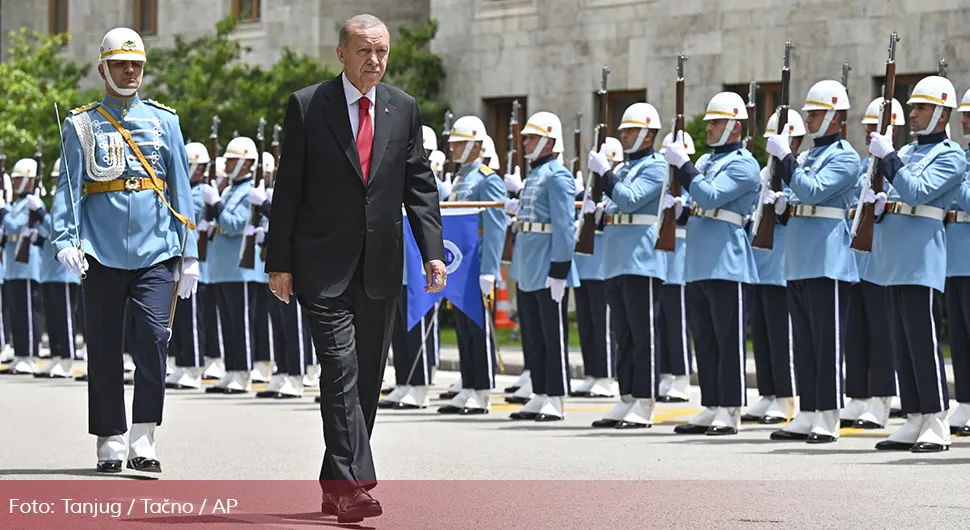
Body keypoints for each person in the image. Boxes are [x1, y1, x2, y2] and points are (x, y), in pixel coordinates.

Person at [264, 14, 445, 523]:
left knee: (365, 380)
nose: (375, 61)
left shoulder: (402, 108)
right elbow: (289, 189)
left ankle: (333, 482)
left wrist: (431, 249)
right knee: (340, 369)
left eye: (382, 52)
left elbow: (419, 184)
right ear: (340, 53)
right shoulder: (307, 106)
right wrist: (279, 262)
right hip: (321, 265)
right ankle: (354, 487)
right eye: (365, 51)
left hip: (380, 266)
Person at [51, 27, 198, 473]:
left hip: (156, 251)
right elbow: (68, 189)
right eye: (120, 64)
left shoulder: (164, 121)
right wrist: (65, 241)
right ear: (103, 69)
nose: (130, 71)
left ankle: (144, 434)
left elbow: (181, 188)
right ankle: (110, 438)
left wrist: (188, 253)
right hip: (101, 251)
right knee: (104, 345)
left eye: (136, 64)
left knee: (154, 338)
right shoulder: (82, 123)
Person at [865, 75, 965, 452]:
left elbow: (918, 191)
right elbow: (887, 194)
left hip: (921, 255)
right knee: (900, 340)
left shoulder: (950, 154)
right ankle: (914, 416)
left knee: (923, 339)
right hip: (891, 256)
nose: (913, 113)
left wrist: (888, 157)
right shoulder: (905, 152)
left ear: (941, 113)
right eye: (912, 107)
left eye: (921, 107)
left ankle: (936, 419)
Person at [663, 92, 760, 435]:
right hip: (700, 261)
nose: (709, 128)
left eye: (716, 122)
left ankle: (730, 408)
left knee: (727, 339)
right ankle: (712, 403)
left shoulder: (744, 163)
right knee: (704, 337)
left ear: (735, 127)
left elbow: (711, 196)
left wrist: (685, 167)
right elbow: (696, 204)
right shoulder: (705, 161)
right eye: (708, 122)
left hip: (727, 262)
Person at [587, 103, 667, 428]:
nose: (624, 135)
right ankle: (628, 396)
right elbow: (614, 206)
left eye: (631, 130)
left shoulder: (657, 166)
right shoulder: (628, 168)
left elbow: (631, 199)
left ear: (648, 134)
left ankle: (645, 401)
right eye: (623, 130)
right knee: (623, 335)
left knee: (643, 334)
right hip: (617, 260)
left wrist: (605, 174)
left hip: (642, 259)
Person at [504, 110, 579, 422]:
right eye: (526, 138)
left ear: (550, 141)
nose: (526, 143)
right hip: (528, 264)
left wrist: (560, 268)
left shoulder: (558, 175)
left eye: (532, 138)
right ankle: (540, 390)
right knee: (533, 333)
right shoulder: (535, 175)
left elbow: (564, 226)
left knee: (552, 333)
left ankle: (556, 395)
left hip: (549, 265)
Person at [842, 97, 905, 429]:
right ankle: (858, 395)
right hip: (858, 262)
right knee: (858, 333)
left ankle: (882, 400)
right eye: (866, 128)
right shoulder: (862, 167)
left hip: (885, 263)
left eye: (875, 128)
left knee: (883, 334)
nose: (869, 134)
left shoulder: (901, 163)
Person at [435, 115, 504, 415]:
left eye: (460, 143)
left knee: (478, 328)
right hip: (459, 264)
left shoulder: (487, 179)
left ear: (476, 145)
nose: (453, 148)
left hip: (476, 261)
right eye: (452, 143)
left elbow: (495, 226)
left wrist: (490, 269)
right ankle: (468, 384)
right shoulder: (462, 179)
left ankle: (483, 389)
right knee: (464, 328)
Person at [743, 109, 805, 425]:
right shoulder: (763, 173)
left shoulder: (799, 170)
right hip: (760, 266)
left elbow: (795, 208)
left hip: (782, 267)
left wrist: (782, 206)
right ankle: (767, 393)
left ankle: (786, 397)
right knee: (764, 337)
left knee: (783, 339)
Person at [166, 142, 210, 390]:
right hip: (176, 260)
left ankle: (193, 367)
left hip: (192, 263)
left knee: (192, 317)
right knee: (179, 317)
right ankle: (182, 362)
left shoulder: (199, 192)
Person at [657, 131, 696, 403]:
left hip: (680, 260)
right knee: (661, 321)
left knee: (678, 321)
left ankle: (681, 377)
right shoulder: (662, 183)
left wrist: (682, 210)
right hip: (660, 260)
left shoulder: (690, 183)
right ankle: (665, 373)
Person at [36, 158, 81, 379]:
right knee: (53, 317)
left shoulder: (72, 200)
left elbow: (54, 230)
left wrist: (41, 215)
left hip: (64, 271)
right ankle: (55, 356)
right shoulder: (57, 200)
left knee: (64, 317)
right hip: (48, 270)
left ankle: (67, 360)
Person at [0, 158, 45, 375]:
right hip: (13, 264)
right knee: (16, 312)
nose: (16, 182)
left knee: (27, 311)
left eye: (19, 179)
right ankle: (19, 353)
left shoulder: (33, 203)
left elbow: (13, 225)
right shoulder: (17, 204)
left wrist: (2, 212)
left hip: (27, 265)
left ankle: (28, 355)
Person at [948, 88, 970, 437]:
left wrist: (953, 175)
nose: (964, 119)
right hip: (954, 256)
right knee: (960, 339)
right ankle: (965, 402)